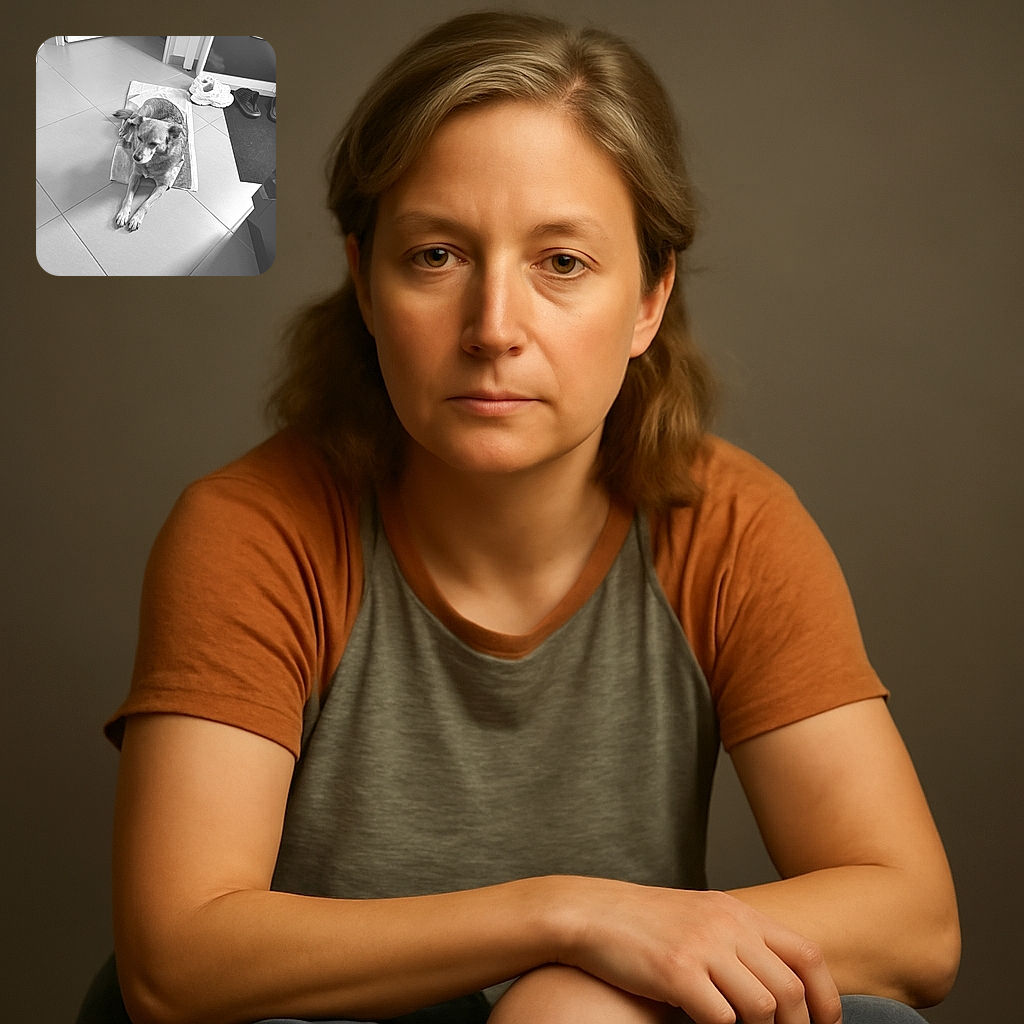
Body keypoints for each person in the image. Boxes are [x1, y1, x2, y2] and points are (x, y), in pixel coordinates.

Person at [82, 11, 959, 1024]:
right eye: (437, 255)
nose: (493, 328)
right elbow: (177, 962)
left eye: (561, 263)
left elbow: (916, 925)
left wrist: (578, 989)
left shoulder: (729, 524)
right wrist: (567, 919)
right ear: (365, 283)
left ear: (649, 300)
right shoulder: (253, 528)